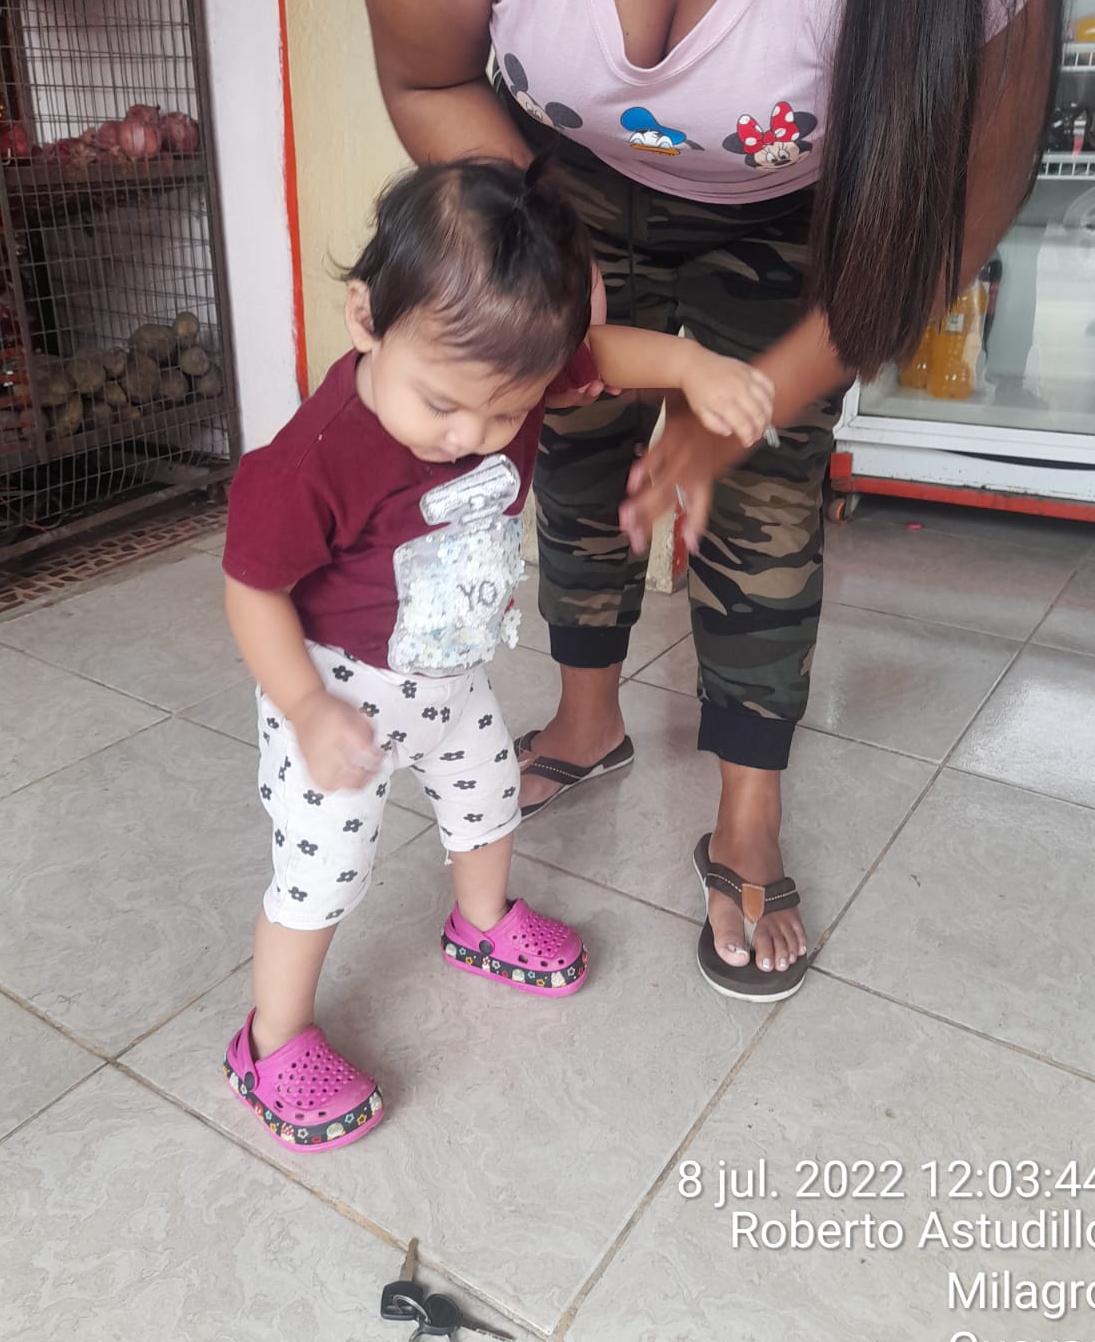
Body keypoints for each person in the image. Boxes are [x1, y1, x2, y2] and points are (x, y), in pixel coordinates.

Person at [356, 0, 1063, 1001]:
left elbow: (949, 215)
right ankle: (588, 719)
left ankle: (748, 808)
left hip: (804, 212)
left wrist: (753, 395)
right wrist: (563, 286)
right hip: (554, 175)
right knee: (576, 441)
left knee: (767, 497)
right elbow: (427, 78)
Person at [220, 156, 774, 1150]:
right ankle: (272, 1039)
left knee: (488, 797)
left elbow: (602, 352)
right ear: (365, 318)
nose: (472, 435)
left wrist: (694, 368)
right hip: (336, 686)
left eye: (509, 412)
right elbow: (252, 588)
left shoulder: (504, 366)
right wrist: (305, 707)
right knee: (323, 869)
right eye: (442, 404)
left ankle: (479, 923)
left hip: (450, 673)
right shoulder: (312, 460)